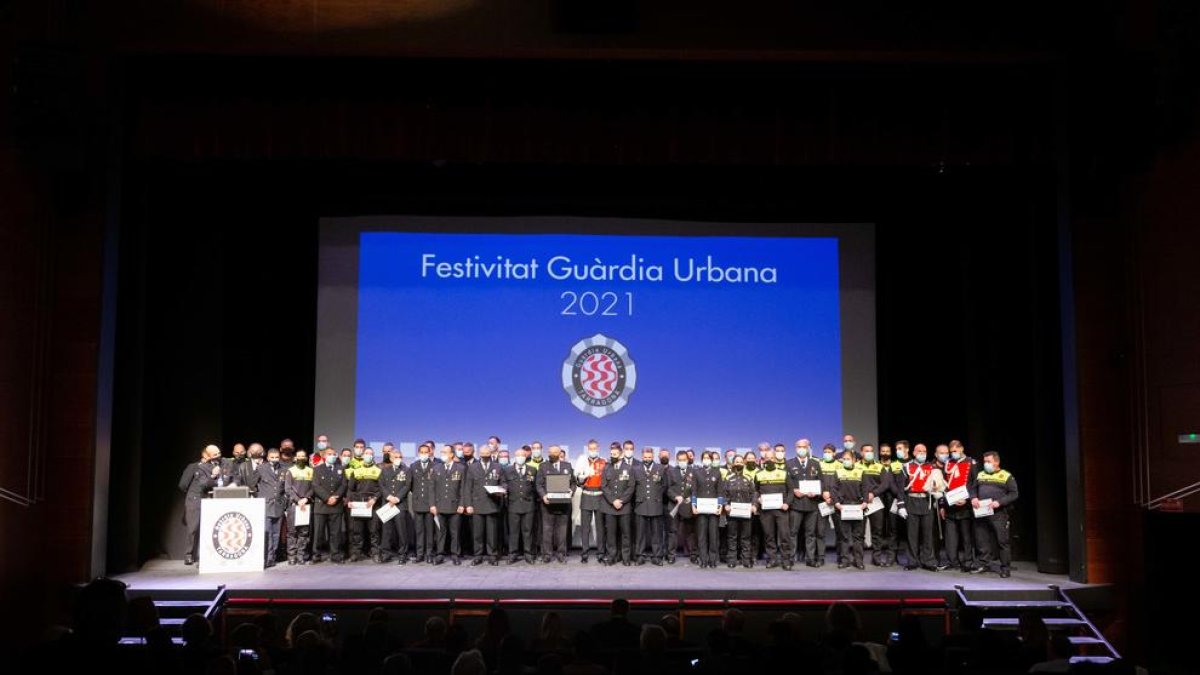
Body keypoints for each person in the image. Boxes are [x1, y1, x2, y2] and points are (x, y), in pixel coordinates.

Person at [972, 451, 1019, 577]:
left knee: (1002, 541)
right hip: (982, 512)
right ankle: (984, 564)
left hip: (998, 514)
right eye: (985, 461)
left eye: (989, 462)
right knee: (982, 540)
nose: (986, 464)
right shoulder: (980, 474)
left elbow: (1014, 494)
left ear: (996, 462)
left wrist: (999, 502)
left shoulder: (1006, 476)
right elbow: (972, 489)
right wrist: (974, 498)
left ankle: (1005, 568)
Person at [901, 443, 944, 571]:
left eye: (924, 451)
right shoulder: (906, 467)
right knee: (912, 534)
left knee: (928, 534)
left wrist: (937, 491)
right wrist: (901, 505)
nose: (922, 453)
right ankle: (912, 561)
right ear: (913, 453)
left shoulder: (932, 467)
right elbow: (900, 489)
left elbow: (939, 486)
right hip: (911, 500)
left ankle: (928, 561)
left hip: (927, 501)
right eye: (919, 451)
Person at [178, 444, 222, 565]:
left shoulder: (218, 466)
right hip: (195, 500)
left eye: (219, 453)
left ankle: (208, 554)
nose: (218, 456)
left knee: (211, 528)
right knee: (193, 528)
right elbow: (183, 485)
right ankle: (189, 554)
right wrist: (194, 492)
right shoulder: (194, 467)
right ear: (205, 455)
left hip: (210, 499)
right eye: (215, 454)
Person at [940, 440, 979, 573]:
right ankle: (952, 561)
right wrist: (942, 504)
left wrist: (967, 499)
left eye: (955, 450)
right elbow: (943, 485)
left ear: (961, 448)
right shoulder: (948, 463)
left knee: (966, 536)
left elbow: (975, 483)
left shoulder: (971, 463)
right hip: (950, 503)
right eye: (952, 451)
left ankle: (968, 562)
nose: (953, 453)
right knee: (950, 536)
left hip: (965, 504)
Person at [464, 442, 504, 565]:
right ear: (479, 454)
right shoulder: (472, 467)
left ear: (491, 454)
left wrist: (502, 490)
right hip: (477, 505)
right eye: (483, 454)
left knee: (492, 533)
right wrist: (468, 505)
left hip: (492, 504)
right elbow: (467, 487)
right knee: (478, 533)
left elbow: (504, 483)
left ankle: (492, 555)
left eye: (487, 454)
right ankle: (478, 555)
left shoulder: (497, 467)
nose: (485, 456)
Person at [755, 444, 794, 569]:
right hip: (766, 511)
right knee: (769, 536)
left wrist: (787, 503)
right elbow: (755, 491)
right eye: (768, 458)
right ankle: (772, 559)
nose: (770, 460)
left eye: (772, 458)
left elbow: (791, 490)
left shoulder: (783, 473)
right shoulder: (759, 474)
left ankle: (786, 560)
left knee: (784, 535)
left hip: (781, 510)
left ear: (775, 459)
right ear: (764, 460)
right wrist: (758, 499)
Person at [787, 438, 824, 567]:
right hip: (796, 504)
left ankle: (810, 559)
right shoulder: (789, 463)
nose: (801, 449)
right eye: (799, 447)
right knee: (792, 533)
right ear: (795, 448)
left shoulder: (815, 463)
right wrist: (793, 490)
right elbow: (787, 483)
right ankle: (790, 558)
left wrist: (817, 491)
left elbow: (821, 481)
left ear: (808, 448)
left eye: (804, 447)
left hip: (811, 504)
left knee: (811, 534)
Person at [536, 445, 576, 563]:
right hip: (548, 504)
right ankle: (547, 555)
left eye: (554, 453)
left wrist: (571, 491)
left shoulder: (567, 466)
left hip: (564, 504)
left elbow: (573, 483)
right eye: (550, 453)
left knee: (562, 531)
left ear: (559, 454)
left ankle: (561, 554)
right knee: (547, 530)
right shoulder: (543, 466)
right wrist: (543, 495)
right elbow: (538, 484)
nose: (551, 455)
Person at [831, 448, 868, 569]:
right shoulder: (838, 472)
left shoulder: (861, 472)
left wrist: (865, 502)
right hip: (842, 507)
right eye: (844, 459)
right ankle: (845, 560)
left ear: (854, 460)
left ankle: (858, 561)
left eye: (848, 459)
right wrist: (836, 503)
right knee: (844, 536)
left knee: (858, 536)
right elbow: (833, 490)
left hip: (858, 507)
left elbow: (865, 489)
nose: (846, 461)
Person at [573, 439, 607, 564]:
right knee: (585, 528)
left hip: (600, 497)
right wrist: (581, 478)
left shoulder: (604, 462)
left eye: (595, 448)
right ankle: (584, 553)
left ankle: (601, 553)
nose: (593, 451)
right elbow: (577, 481)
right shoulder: (582, 461)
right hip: (586, 496)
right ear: (587, 449)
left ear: (598, 448)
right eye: (591, 448)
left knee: (600, 528)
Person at [600, 442, 635, 565]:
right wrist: (613, 500)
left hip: (624, 507)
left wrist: (621, 500)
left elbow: (631, 487)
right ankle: (611, 557)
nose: (612, 456)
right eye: (611, 454)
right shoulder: (606, 467)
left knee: (626, 534)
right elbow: (603, 486)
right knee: (611, 534)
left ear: (621, 454)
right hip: (610, 506)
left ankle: (626, 558)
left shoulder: (629, 468)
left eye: (615, 454)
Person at [632, 446, 667, 565]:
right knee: (640, 534)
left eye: (650, 457)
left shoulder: (660, 468)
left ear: (653, 457)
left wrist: (656, 496)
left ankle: (657, 556)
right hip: (640, 505)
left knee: (656, 533)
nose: (647, 459)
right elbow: (633, 487)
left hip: (655, 505)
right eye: (645, 457)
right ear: (642, 457)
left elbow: (664, 486)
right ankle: (640, 556)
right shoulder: (635, 469)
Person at [312, 446, 348, 563]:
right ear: (324, 456)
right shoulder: (317, 469)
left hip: (336, 506)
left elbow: (343, 485)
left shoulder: (340, 469)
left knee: (335, 533)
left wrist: (336, 497)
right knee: (319, 533)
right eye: (329, 454)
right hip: (321, 506)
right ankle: (316, 555)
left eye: (334, 454)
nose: (332, 456)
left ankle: (335, 555)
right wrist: (327, 498)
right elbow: (316, 486)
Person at [347, 447, 383, 562]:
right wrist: (349, 501)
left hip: (372, 504)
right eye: (367, 453)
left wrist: (375, 499)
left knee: (374, 530)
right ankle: (356, 553)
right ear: (363, 455)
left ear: (373, 456)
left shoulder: (378, 470)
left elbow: (382, 489)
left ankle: (375, 553)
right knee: (357, 530)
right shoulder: (356, 471)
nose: (369, 455)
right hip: (359, 505)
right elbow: (350, 489)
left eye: (371, 454)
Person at [858, 444, 891, 567]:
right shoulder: (855, 466)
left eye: (871, 451)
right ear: (861, 453)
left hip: (876, 502)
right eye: (866, 451)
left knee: (877, 532)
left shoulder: (879, 466)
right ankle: (859, 559)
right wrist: (863, 496)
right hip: (860, 502)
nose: (869, 453)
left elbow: (885, 484)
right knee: (859, 533)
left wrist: (873, 493)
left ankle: (876, 558)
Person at [433, 444, 467, 565]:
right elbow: (432, 488)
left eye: (445, 452)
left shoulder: (461, 468)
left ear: (452, 454)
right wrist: (432, 505)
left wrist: (462, 504)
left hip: (455, 506)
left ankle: (455, 554)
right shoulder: (436, 468)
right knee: (440, 532)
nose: (442, 454)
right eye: (441, 452)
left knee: (455, 532)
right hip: (440, 506)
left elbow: (463, 488)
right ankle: (440, 554)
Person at [503, 446, 538, 564]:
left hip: (529, 505)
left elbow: (535, 487)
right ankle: (513, 554)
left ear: (526, 456)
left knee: (528, 531)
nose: (520, 458)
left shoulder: (532, 469)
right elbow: (504, 484)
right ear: (514, 456)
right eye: (518, 456)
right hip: (513, 505)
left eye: (522, 455)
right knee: (513, 531)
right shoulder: (507, 470)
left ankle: (528, 554)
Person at [379, 444, 412, 564]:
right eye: (396, 457)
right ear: (391, 458)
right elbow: (381, 485)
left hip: (400, 504)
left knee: (401, 531)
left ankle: (403, 554)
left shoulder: (406, 470)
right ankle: (386, 553)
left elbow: (407, 486)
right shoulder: (385, 470)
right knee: (387, 530)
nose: (398, 459)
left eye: (400, 457)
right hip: (387, 504)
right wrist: (389, 497)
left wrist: (397, 498)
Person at [722, 454, 756, 568]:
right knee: (732, 537)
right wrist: (725, 504)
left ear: (744, 463)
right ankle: (732, 560)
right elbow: (724, 494)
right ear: (733, 464)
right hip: (732, 513)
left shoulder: (748, 478)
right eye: (736, 461)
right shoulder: (728, 478)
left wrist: (754, 505)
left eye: (741, 462)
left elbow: (754, 494)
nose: (739, 463)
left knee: (746, 537)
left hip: (746, 512)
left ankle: (745, 560)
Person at [256, 447, 288, 567]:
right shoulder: (261, 468)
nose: (274, 460)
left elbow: (285, 487)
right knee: (267, 532)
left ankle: (272, 557)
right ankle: (266, 558)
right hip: (265, 505)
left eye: (276, 457)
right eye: (272, 457)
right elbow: (254, 485)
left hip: (278, 506)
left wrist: (284, 503)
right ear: (267, 457)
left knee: (276, 533)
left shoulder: (283, 469)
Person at [692, 450, 723, 568]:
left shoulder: (717, 473)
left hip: (714, 509)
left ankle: (713, 559)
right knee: (701, 535)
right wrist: (693, 505)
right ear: (701, 460)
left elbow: (720, 491)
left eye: (709, 458)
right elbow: (694, 490)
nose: (707, 460)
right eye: (704, 458)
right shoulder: (697, 472)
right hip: (700, 509)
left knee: (713, 535)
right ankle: (703, 559)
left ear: (712, 459)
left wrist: (720, 506)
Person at [284, 449, 315, 565]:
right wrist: (298, 500)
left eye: (303, 456)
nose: (301, 458)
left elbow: (313, 487)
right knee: (292, 532)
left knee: (304, 532)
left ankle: (301, 555)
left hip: (306, 505)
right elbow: (288, 489)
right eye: (299, 456)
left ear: (306, 458)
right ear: (295, 458)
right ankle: (291, 556)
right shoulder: (290, 471)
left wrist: (306, 498)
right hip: (294, 506)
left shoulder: (311, 471)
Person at [409, 444, 438, 564]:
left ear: (430, 452)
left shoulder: (436, 466)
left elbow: (437, 485)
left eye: (426, 452)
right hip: (417, 503)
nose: (424, 454)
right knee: (419, 530)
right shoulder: (413, 466)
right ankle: (420, 554)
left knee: (430, 531)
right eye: (421, 452)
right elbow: (410, 484)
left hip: (430, 503)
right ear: (418, 452)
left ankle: (429, 554)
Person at [664, 449, 692, 564]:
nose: (682, 462)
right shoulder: (671, 472)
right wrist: (675, 497)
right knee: (672, 531)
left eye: (684, 460)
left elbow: (696, 488)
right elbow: (668, 488)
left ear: (688, 460)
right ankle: (671, 555)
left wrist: (692, 498)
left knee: (690, 532)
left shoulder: (693, 471)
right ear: (677, 460)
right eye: (680, 460)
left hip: (688, 506)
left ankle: (693, 554)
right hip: (674, 506)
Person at [819, 443, 844, 566]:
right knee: (820, 531)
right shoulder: (819, 464)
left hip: (836, 502)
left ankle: (841, 557)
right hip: (822, 501)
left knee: (840, 531)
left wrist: (833, 497)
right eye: (825, 451)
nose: (827, 454)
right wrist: (823, 493)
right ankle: (821, 557)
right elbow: (817, 480)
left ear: (834, 453)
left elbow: (842, 483)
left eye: (829, 452)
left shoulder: (840, 465)